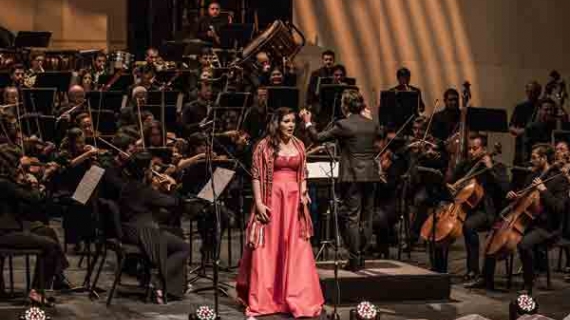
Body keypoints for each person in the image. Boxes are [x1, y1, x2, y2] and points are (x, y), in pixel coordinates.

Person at [237, 107, 323, 318]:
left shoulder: (300, 145)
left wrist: (303, 192)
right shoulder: (264, 146)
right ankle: (267, 298)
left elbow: (302, 173)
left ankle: (296, 296)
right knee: (270, 248)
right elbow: (256, 175)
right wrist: (258, 202)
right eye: (286, 121)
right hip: (272, 200)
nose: (291, 125)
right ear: (277, 123)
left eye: (293, 121)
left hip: (293, 203)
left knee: (296, 248)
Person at [466, 144, 569, 293]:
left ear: (544, 158)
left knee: (523, 244)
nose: (531, 160)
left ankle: (529, 283)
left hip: (546, 226)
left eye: (534, 158)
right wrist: (516, 196)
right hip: (526, 220)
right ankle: (485, 278)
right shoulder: (534, 175)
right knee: (494, 233)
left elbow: (559, 208)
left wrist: (544, 190)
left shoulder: (559, 179)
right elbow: (524, 196)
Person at [300, 89, 384, 270]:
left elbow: (317, 138)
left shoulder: (343, 124)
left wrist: (308, 123)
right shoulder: (372, 124)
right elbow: (380, 136)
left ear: (344, 105)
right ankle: (361, 257)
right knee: (366, 218)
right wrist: (369, 117)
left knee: (352, 217)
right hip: (370, 175)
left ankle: (354, 260)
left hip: (352, 176)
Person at [100, 150, 190, 303]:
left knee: (176, 233)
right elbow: (173, 203)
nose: (154, 171)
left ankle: (172, 286)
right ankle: (157, 282)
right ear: (144, 171)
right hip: (143, 233)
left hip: (130, 229)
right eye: (151, 167)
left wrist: (155, 189)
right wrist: (172, 186)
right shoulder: (143, 190)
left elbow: (146, 201)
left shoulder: (129, 185)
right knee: (183, 247)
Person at [0, 144, 69, 305]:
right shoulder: (3, 182)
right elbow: (32, 199)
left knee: (47, 231)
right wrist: (35, 184)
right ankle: (37, 290)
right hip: (4, 232)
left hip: (12, 225)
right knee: (50, 245)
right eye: (17, 163)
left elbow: (23, 203)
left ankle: (57, 275)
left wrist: (28, 184)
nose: (20, 167)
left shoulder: (6, 181)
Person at [441, 134, 509, 277]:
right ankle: (439, 267)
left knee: (468, 226)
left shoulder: (498, 167)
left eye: (475, 148)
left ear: (484, 149)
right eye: (470, 149)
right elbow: (450, 182)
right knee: (439, 222)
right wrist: (451, 186)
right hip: (464, 208)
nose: (471, 152)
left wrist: (490, 168)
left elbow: (505, 189)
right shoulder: (465, 165)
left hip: (486, 211)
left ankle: (473, 270)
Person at [510, 81, 543, 165]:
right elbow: (511, 126)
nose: (530, 94)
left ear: (539, 93)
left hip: (538, 143)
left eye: (533, 92)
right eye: (528, 91)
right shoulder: (520, 107)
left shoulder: (542, 106)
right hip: (521, 146)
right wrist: (522, 131)